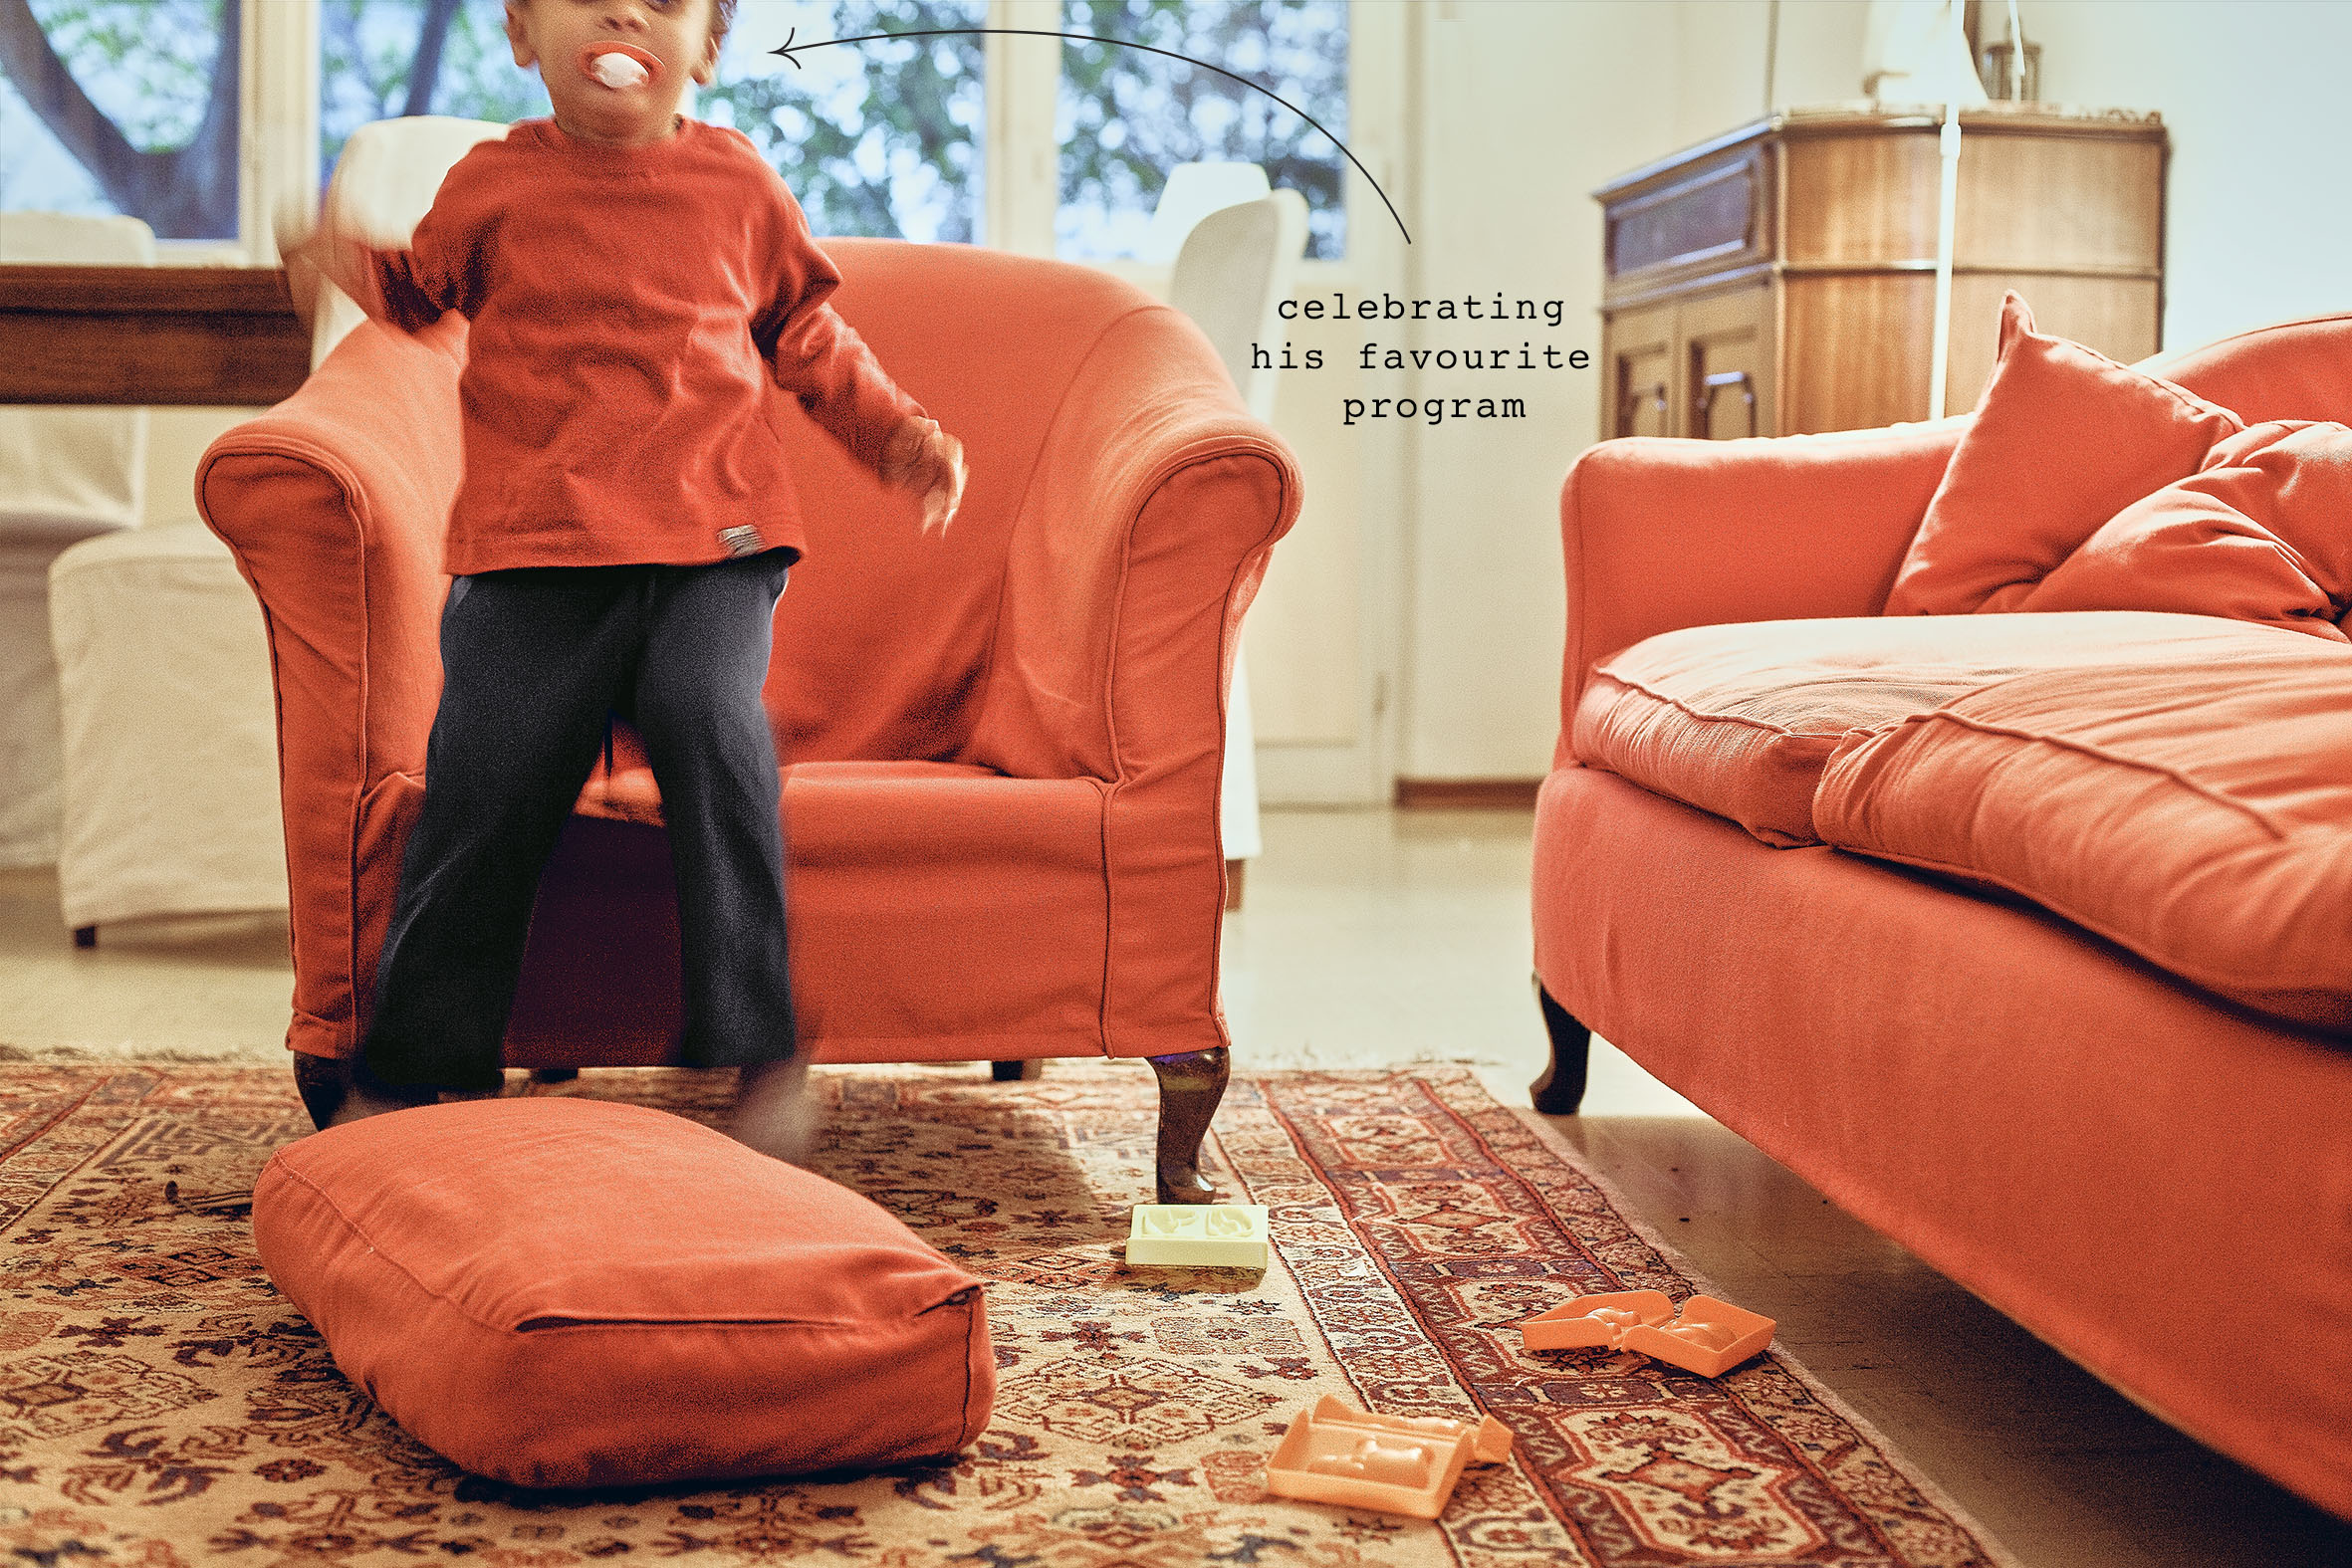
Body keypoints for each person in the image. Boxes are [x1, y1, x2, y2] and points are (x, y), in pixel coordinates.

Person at [276, 0, 967, 1160]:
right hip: (529, 558)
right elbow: (416, 297)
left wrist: (896, 434)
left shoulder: (739, 186)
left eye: (668, 0)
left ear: (707, 49)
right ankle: (411, 1066)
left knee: (712, 728)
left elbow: (807, 335)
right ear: (520, 33)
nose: (623, 11)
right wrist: (334, 255)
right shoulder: (491, 186)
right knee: (478, 789)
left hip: (712, 550)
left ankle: (760, 1046)